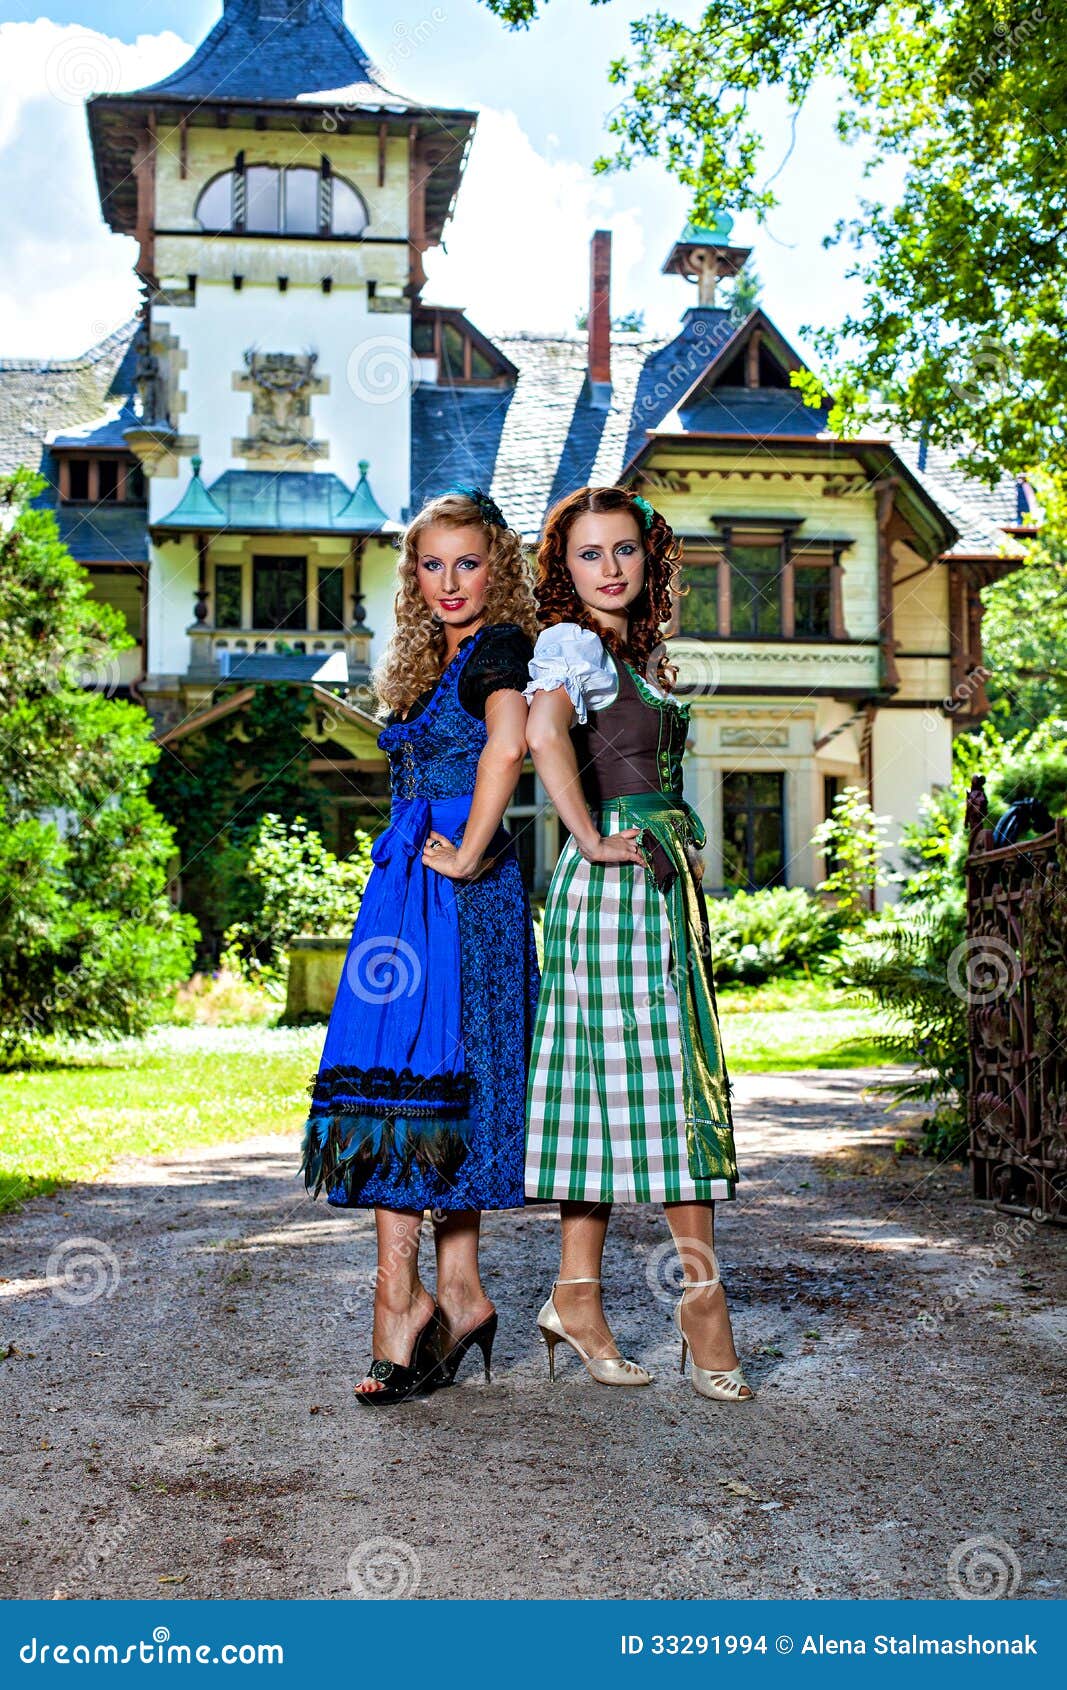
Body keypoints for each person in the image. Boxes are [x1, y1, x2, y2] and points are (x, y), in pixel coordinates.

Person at [300, 488, 540, 1406]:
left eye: (467, 563)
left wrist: (471, 852)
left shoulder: (501, 648)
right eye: (431, 565)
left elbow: (507, 748)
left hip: (456, 894)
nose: (448, 583)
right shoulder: (433, 658)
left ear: (496, 566)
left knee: (429, 1081)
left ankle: (399, 1308)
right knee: (425, 1086)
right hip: (410, 887)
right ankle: (462, 1293)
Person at [523, 485, 752, 1401]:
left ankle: (576, 1294)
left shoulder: (634, 651)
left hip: (651, 883)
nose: (609, 569)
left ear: (645, 559)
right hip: (613, 882)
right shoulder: (570, 647)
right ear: (563, 566)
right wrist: (584, 834)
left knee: (608, 1090)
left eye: (623, 551)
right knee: (662, 1085)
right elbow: (541, 734)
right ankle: (703, 1301)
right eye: (589, 554)